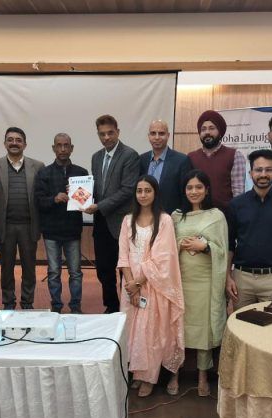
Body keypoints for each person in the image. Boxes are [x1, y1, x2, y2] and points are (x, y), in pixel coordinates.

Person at [118, 175, 184, 397]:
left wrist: (138, 283)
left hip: (154, 283)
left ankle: (149, 377)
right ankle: (137, 372)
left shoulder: (164, 220)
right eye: (139, 191)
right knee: (132, 328)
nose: (143, 195)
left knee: (150, 331)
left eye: (148, 190)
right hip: (130, 285)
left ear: (155, 193)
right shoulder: (127, 220)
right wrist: (130, 285)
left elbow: (163, 257)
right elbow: (123, 255)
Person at [172, 170, 228, 397]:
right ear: (184, 191)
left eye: (198, 187)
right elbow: (165, 247)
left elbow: (222, 249)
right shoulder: (176, 216)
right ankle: (175, 372)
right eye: (189, 187)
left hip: (205, 281)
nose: (194, 191)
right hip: (181, 280)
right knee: (178, 327)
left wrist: (205, 247)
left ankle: (203, 375)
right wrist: (181, 244)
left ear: (206, 190)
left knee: (203, 329)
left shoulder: (216, 216)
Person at [226, 149, 272, 309]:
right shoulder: (236, 204)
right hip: (242, 279)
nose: (263, 174)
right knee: (241, 322)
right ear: (250, 173)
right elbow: (229, 245)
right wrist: (228, 277)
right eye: (258, 170)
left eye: (269, 170)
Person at [85, 114, 140, 313]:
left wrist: (99, 206)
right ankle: (111, 307)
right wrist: (80, 194)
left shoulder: (130, 155)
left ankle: (127, 308)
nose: (106, 137)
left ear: (118, 132)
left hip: (122, 222)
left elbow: (127, 190)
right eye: (102, 134)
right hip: (101, 222)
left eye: (110, 133)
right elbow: (98, 188)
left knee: (126, 269)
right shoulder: (96, 157)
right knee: (103, 270)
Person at [0, 127, 44, 310]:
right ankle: (8, 302)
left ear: (25, 144)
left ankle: (27, 302)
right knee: (6, 267)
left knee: (29, 267)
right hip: (5, 226)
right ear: (4, 143)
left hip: (29, 226)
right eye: (10, 139)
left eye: (18, 140)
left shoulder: (38, 166)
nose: (14, 143)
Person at [34, 133, 88, 313]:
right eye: (59, 145)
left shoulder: (81, 173)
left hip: (73, 231)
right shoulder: (44, 173)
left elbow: (88, 202)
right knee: (54, 272)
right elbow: (39, 201)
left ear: (72, 148)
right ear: (53, 148)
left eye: (66, 145)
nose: (63, 149)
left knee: (76, 272)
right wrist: (54, 198)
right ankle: (56, 306)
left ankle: (76, 307)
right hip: (51, 231)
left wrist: (78, 195)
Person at [187, 110, 246, 212]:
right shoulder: (191, 157)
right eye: (203, 129)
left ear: (220, 132)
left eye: (212, 128)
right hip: (197, 215)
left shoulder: (235, 156)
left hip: (226, 216)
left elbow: (238, 193)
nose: (207, 132)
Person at [139, 120, 192, 214]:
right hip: (145, 216)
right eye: (153, 133)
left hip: (172, 217)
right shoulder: (141, 159)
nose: (157, 137)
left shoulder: (182, 161)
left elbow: (186, 194)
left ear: (168, 135)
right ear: (148, 136)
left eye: (161, 133)